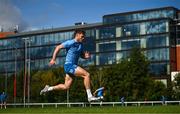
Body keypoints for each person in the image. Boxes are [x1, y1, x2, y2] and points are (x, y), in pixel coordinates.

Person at [40, 29, 100, 102]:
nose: (83, 38)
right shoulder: (70, 42)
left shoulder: (81, 45)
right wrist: (53, 59)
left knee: (66, 87)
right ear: (77, 35)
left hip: (72, 66)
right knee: (86, 75)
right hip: (69, 65)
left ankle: (48, 88)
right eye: (82, 36)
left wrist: (85, 56)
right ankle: (90, 96)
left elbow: (81, 55)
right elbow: (58, 47)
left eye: (84, 37)